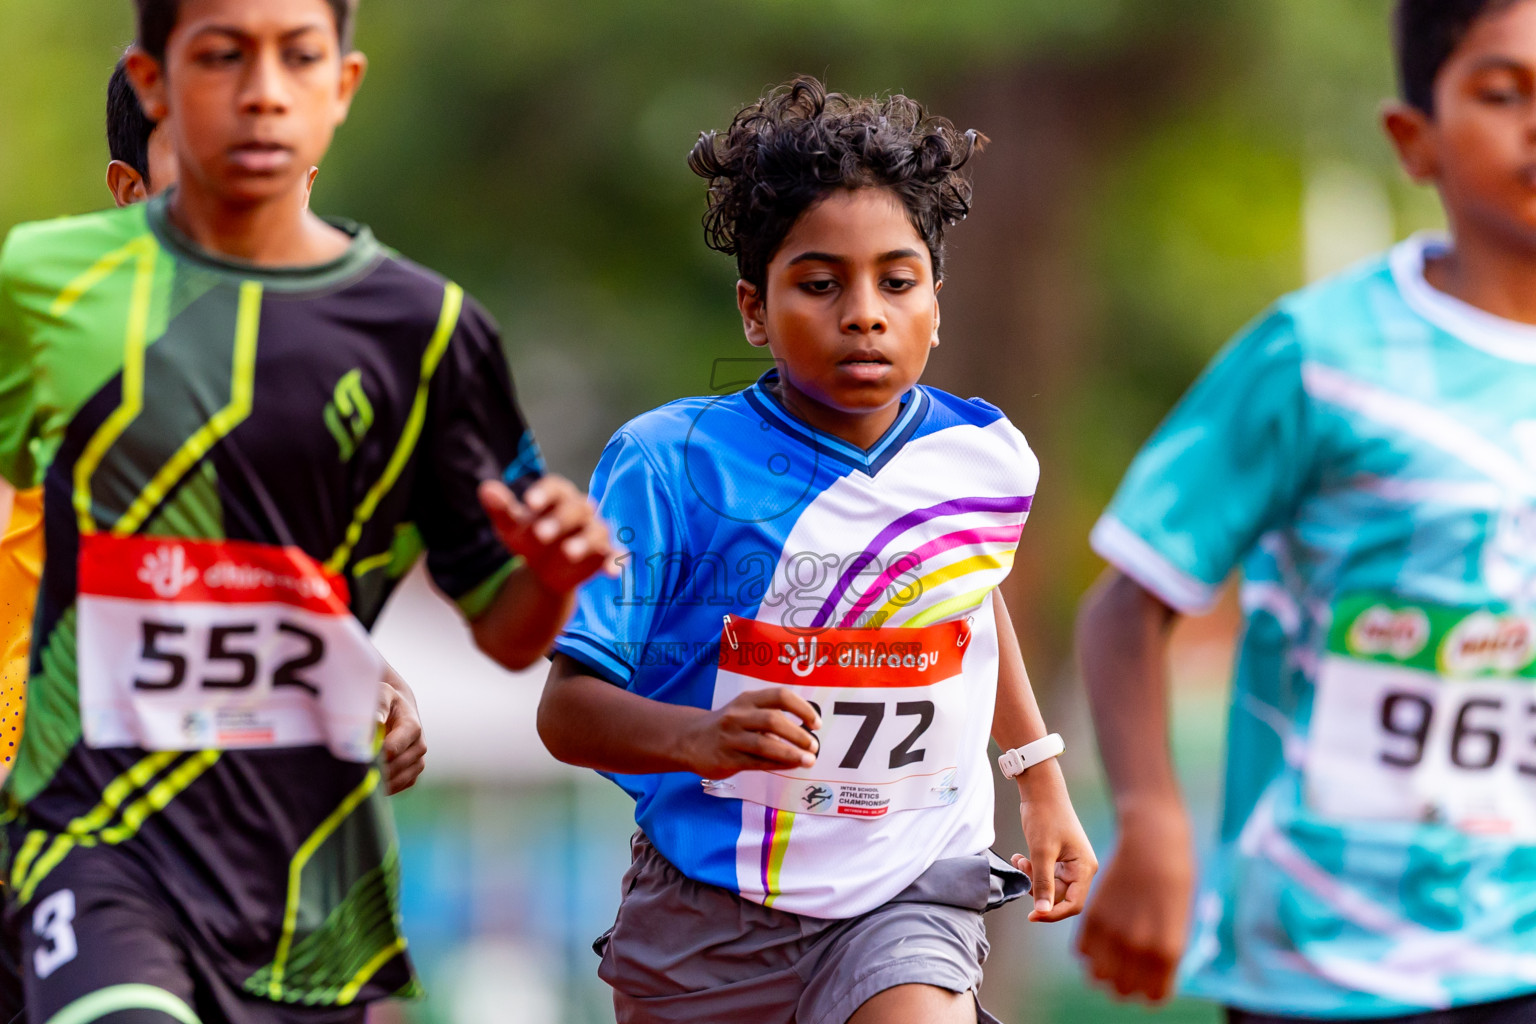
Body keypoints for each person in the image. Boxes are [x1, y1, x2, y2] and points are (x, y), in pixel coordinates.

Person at [0, 1, 614, 1021]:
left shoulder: (422, 335)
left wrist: (535, 583)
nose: (257, 98)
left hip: (292, 874)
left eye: (296, 59)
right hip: (84, 842)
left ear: (339, 92)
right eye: (218, 64)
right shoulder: (53, 305)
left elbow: (491, 627)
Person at [539, 76, 1097, 1024]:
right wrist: (699, 739)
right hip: (708, 906)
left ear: (935, 305)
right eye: (820, 283)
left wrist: (1040, 778)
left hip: (909, 890)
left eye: (896, 282)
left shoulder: (985, 457)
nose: (864, 313)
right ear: (755, 310)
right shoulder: (668, 464)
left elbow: (966, 598)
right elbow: (567, 713)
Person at [1076, 1, 1536, 1021]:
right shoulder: (1319, 355)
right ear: (1415, 139)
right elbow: (1128, 603)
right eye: (1504, 93)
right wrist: (1150, 821)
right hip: (1323, 961)